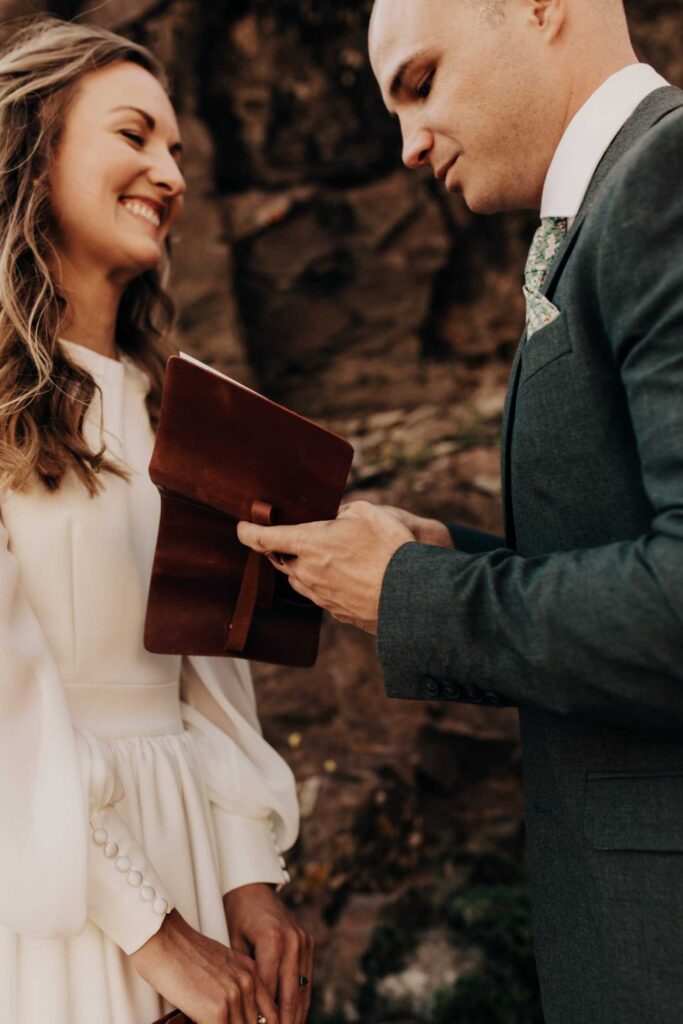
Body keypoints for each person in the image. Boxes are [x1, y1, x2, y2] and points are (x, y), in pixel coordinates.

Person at [236, 0, 683, 1021]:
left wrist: (415, 595)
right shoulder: (608, 208)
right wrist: (445, 548)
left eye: (418, 80)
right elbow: (623, 549)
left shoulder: (660, 184)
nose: (403, 146)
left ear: (539, 8)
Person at [0, 16, 313, 1024]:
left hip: (193, 864)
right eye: (135, 135)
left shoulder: (191, 410)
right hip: (51, 888)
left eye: (177, 149)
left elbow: (211, 681)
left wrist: (247, 881)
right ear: (33, 149)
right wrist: (150, 929)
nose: (169, 172)